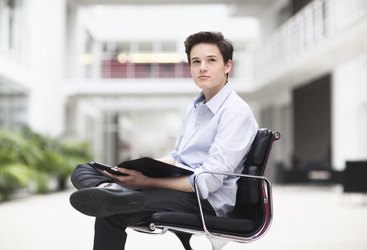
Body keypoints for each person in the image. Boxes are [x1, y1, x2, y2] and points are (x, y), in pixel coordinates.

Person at [69, 31, 258, 250]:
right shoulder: (196, 107)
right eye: (196, 62)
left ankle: (112, 196)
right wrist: (132, 171)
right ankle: (109, 189)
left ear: (227, 66)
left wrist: (147, 182)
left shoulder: (236, 112)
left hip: (204, 202)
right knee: (83, 170)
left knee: (111, 211)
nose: (202, 67)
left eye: (211, 60)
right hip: (181, 188)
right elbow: (178, 157)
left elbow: (209, 181)